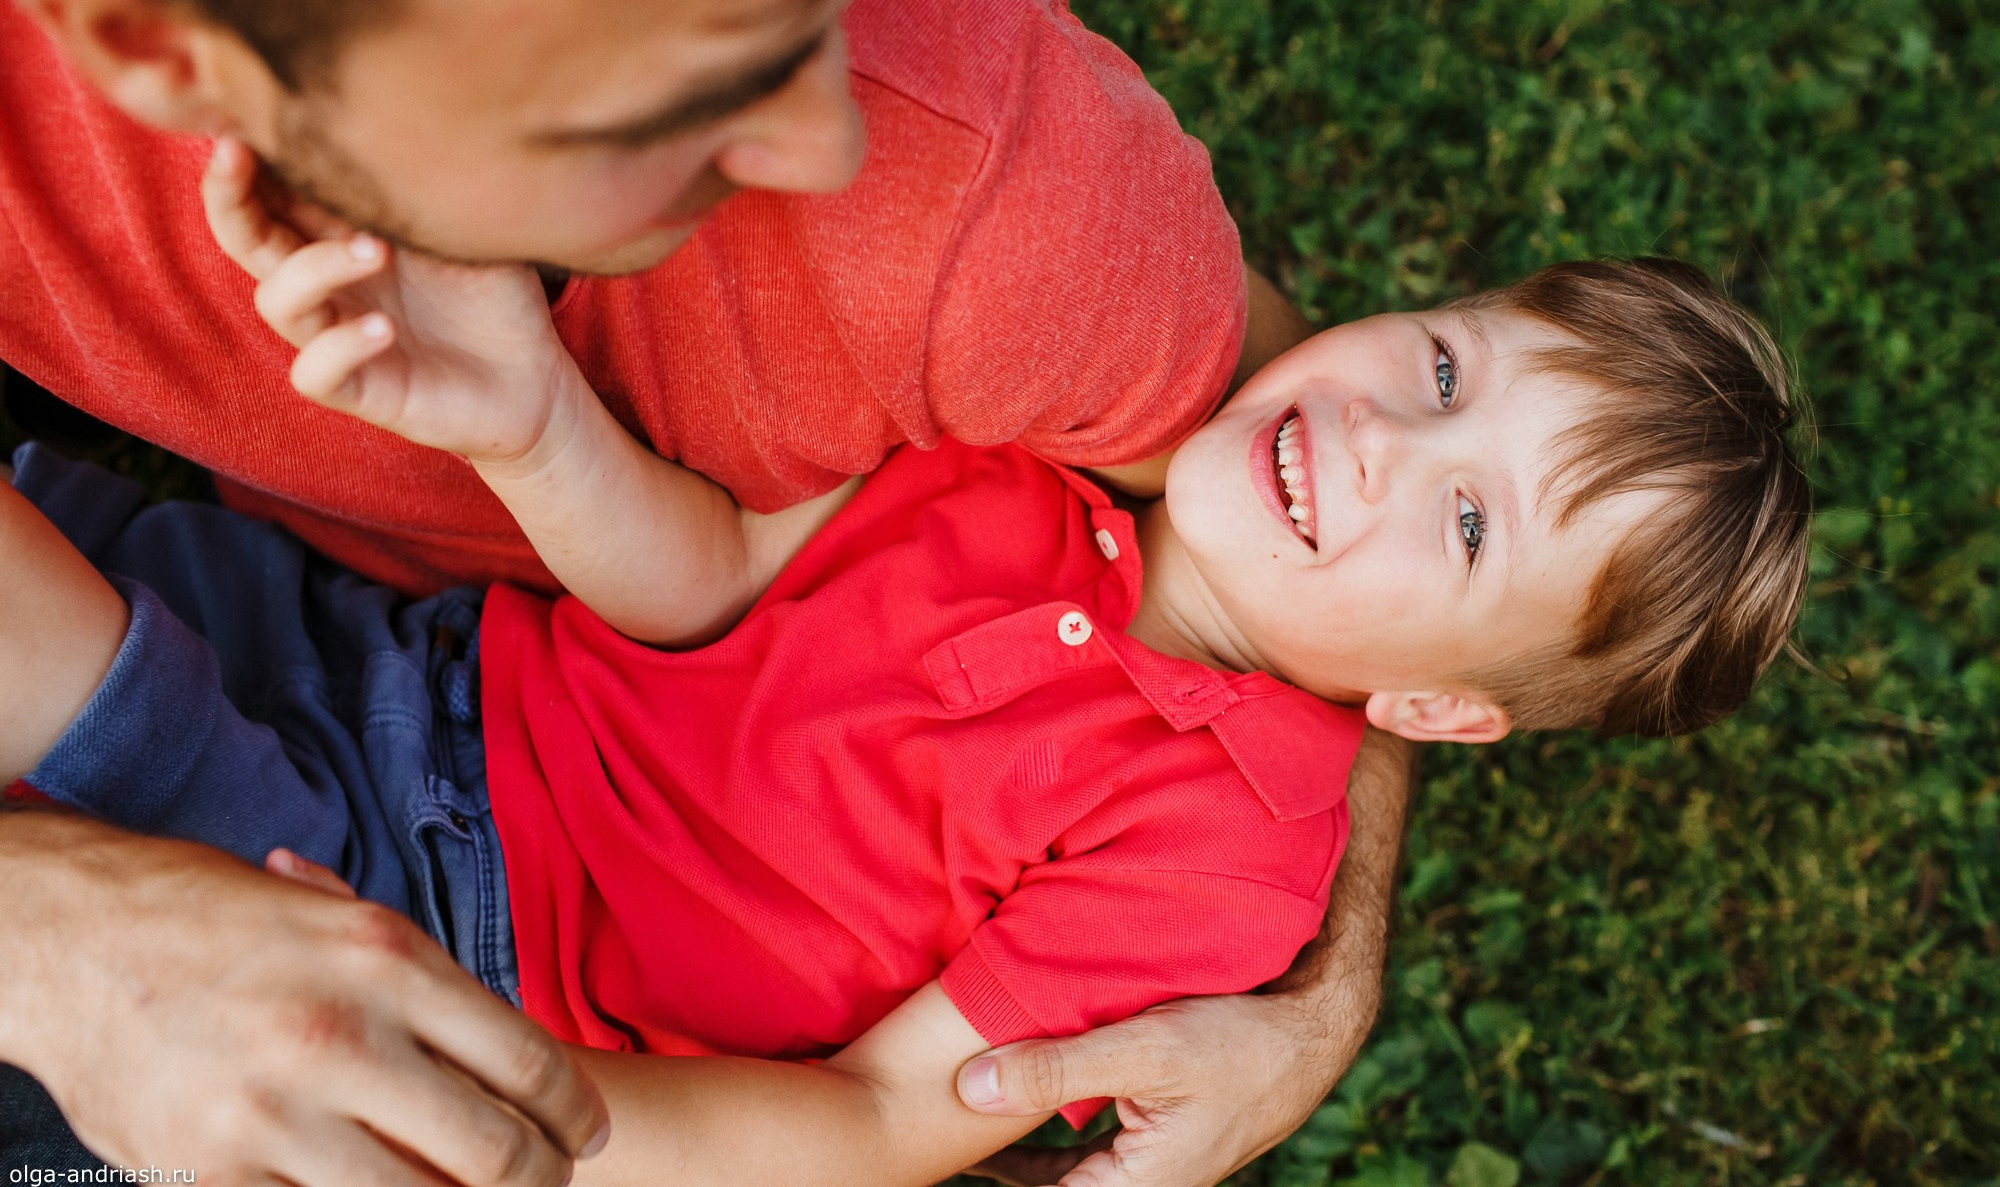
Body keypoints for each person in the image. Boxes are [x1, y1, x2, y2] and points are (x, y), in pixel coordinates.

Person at [0, 0, 1401, 1181]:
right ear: (163, 54)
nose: (830, 134)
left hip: (422, 756)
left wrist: (1318, 988)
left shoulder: (994, 196)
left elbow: (1288, 456)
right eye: (681, 86)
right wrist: (62, 942)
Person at [0, 191, 1812, 1185]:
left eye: (1474, 521)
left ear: (1439, 712)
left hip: (448, 926)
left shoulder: (1225, 859)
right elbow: (706, 578)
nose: (1380, 436)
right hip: (400, 665)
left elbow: (881, 1114)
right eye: (1441, 363)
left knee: (100, 736)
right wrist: (532, 420)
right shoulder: (1024, 470)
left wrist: (529, 1119)